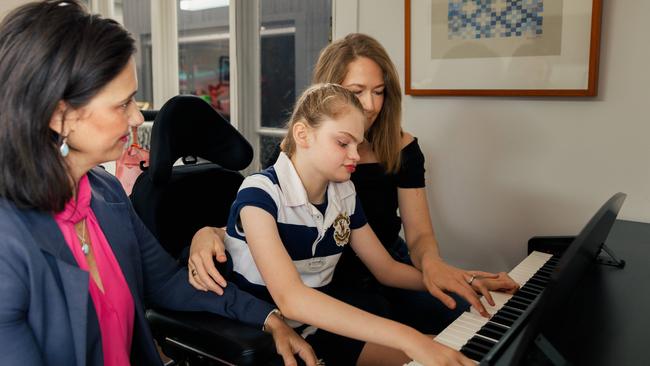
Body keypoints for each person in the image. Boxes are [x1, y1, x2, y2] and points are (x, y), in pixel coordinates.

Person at [0, 1, 316, 365]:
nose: (137, 117)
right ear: (60, 114)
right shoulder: (10, 242)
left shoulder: (106, 194)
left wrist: (268, 317)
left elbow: (168, 283)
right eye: (123, 105)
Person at [188, 33, 519, 334]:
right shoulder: (296, 156)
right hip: (330, 275)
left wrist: (450, 275)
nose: (372, 105)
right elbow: (266, 216)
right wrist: (209, 233)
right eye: (357, 92)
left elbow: (414, 240)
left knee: (477, 320)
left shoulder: (375, 168)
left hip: (384, 264)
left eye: (379, 92)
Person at [214, 82, 476, 365]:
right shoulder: (259, 194)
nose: (355, 155)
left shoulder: (344, 193)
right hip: (263, 334)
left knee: (453, 353)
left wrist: (463, 280)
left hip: (316, 327)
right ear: (302, 134)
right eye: (343, 143)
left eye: (358, 144)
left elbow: (386, 269)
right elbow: (291, 298)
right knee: (418, 347)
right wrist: (407, 337)